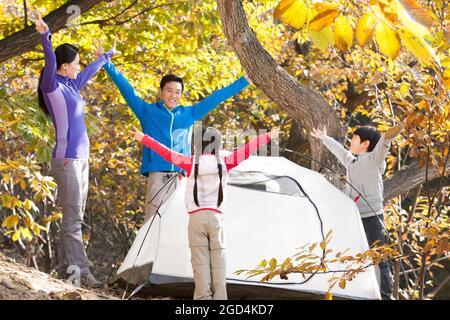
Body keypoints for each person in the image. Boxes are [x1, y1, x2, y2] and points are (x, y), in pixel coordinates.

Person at [132, 126, 279, 300]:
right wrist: (268, 136)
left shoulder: (189, 162)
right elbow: (247, 149)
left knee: (200, 261)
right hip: (216, 218)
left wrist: (144, 139)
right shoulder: (226, 162)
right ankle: (221, 298)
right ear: (218, 146)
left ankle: (203, 298)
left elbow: (165, 152)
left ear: (196, 146)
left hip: (196, 218)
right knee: (219, 260)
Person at [99, 56, 250, 224]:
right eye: (169, 90)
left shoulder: (189, 113)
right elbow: (126, 88)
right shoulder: (147, 111)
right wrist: (107, 63)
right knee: (153, 223)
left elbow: (217, 97)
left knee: (179, 224)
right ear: (161, 91)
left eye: (178, 92)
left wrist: (244, 81)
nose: (173, 95)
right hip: (158, 175)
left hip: (182, 176)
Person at [31, 10, 117, 287]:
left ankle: (68, 270)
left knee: (75, 218)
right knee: (72, 221)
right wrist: (46, 35)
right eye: (75, 64)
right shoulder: (51, 85)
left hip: (82, 160)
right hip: (67, 160)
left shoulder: (72, 85)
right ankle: (81, 273)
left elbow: (89, 71)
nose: (79, 67)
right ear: (64, 66)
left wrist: (106, 57)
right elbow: (50, 58)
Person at [310, 123, 404, 300]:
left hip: (371, 218)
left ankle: (386, 294)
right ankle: (344, 290)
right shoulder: (352, 161)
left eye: (354, 138)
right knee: (344, 251)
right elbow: (339, 151)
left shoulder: (374, 159)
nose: (351, 140)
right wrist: (324, 138)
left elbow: (384, 141)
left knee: (377, 256)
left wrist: (398, 128)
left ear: (365, 143)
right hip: (352, 216)